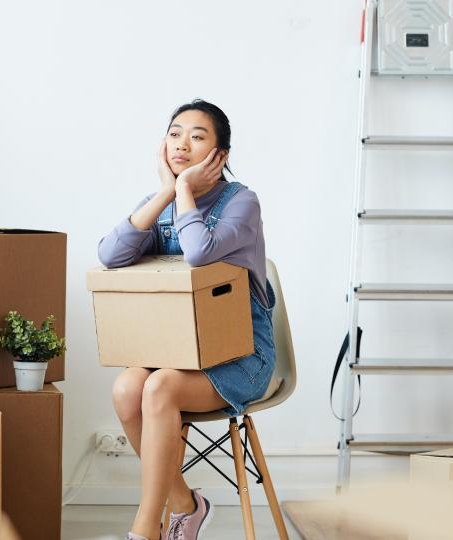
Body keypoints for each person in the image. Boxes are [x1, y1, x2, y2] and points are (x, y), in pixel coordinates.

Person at [97, 99, 276, 540]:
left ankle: (145, 529)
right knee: (126, 389)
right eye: (175, 134)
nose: (182, 144)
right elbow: (109, 255)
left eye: (198, 137)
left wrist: (183, 191)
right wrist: (164, 190)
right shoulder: (157, 203)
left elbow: (197, 252)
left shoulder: (242, 203)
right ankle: (185, 505)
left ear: (220, 155)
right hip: (176, 350)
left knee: (158, 388)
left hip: (240, 354)